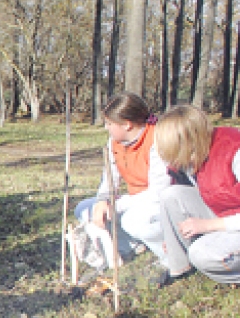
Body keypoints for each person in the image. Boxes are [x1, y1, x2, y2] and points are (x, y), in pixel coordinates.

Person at [70, 93, 171, 272]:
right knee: (84, 209)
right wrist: (102, 200)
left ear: (127, 124)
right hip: (134, 200)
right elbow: (109, 178)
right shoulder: (114, 143)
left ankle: (168, 251)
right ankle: (129, 244)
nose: (106, 128)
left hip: (161, 203)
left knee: (132, 220)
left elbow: (159, 192)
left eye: (109, 123)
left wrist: (118, 205)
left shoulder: (158, 140)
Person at [154, 104, 240, 286]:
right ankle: (180, 268)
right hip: (224, 214)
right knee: (171, 194)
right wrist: (171, 239)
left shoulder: (234, 148)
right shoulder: (189, 158)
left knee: (201, 253)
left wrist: (209, 226)